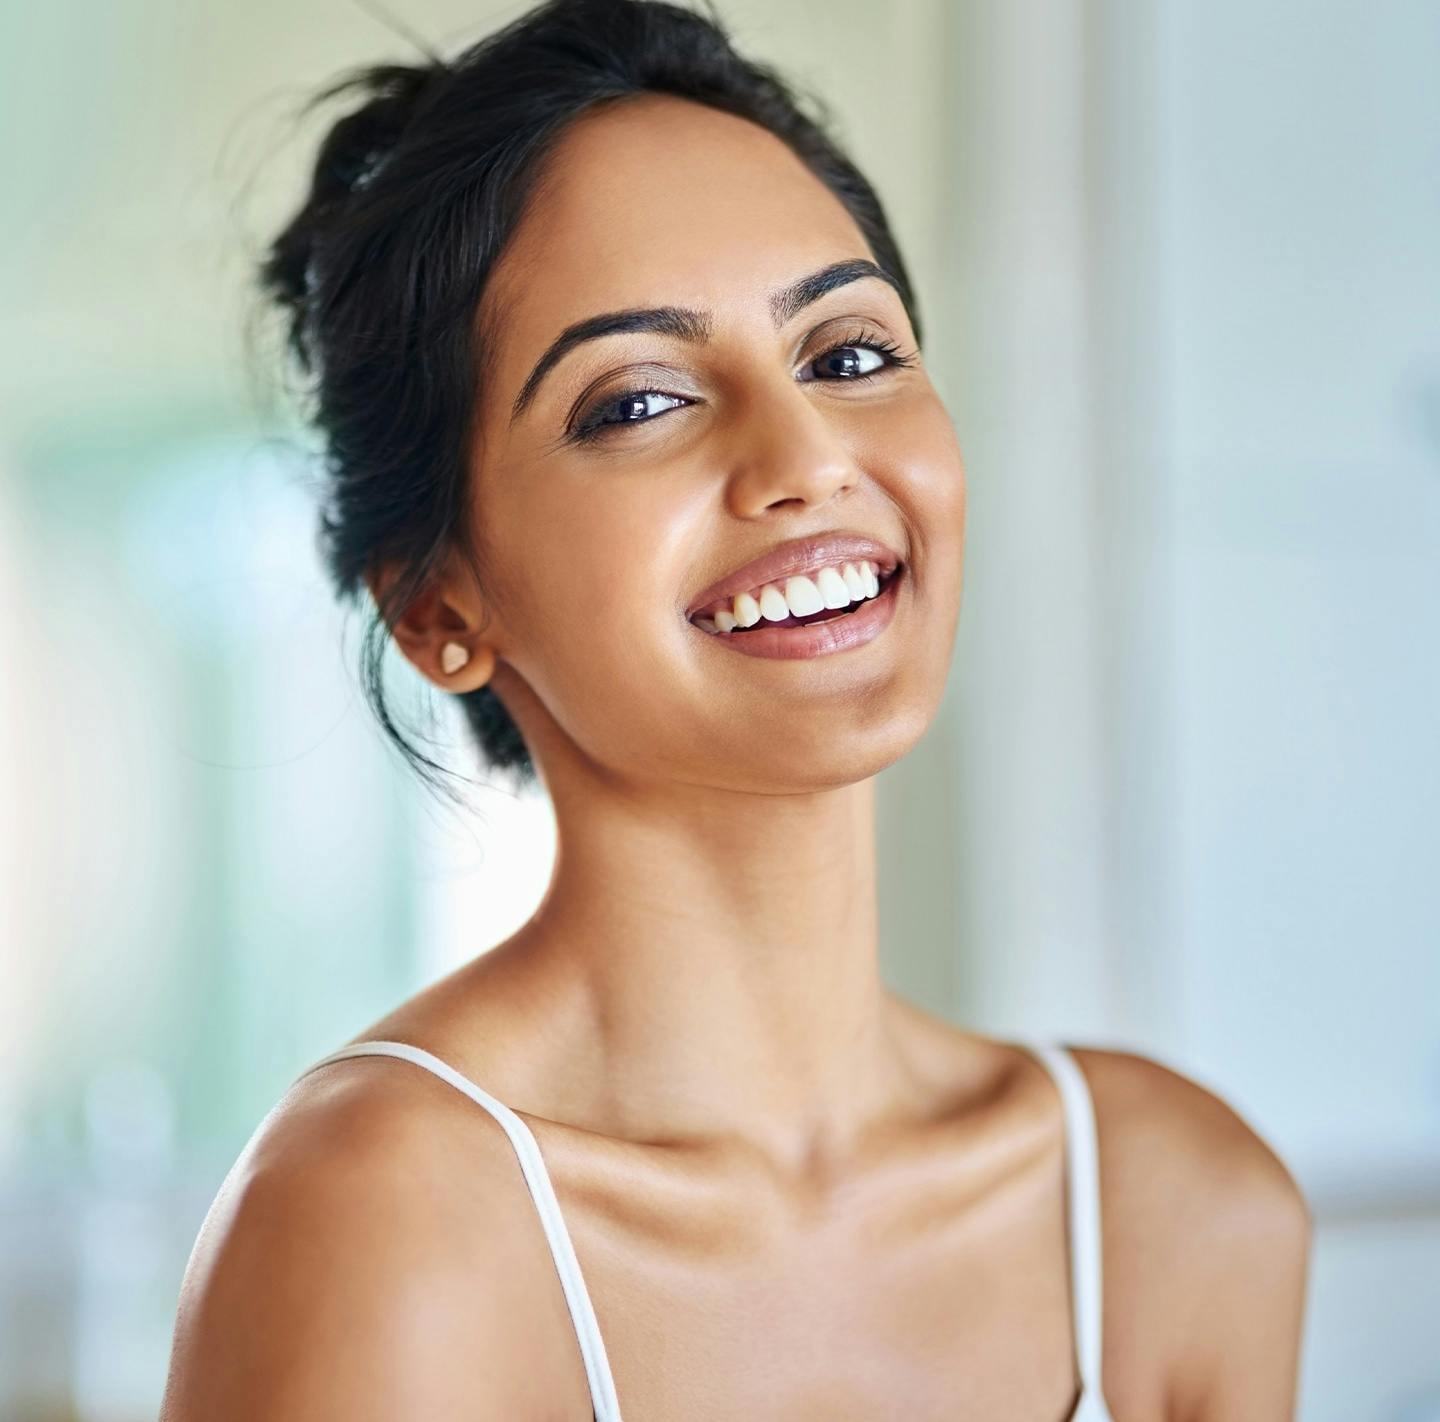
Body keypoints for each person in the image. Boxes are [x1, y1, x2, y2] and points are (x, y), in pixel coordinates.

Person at [159, 1, 1311, 1416]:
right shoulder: (387, 1221)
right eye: (637, 400)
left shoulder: (1177, 1209)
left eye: (847, 353)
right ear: (440, 608)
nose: (805, 455)